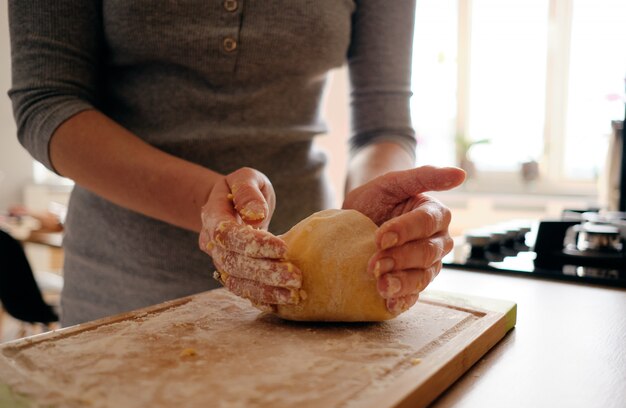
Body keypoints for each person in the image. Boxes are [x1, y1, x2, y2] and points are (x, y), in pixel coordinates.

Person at [8, 1, 466, 326]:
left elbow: (381, 123)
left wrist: (375, 219)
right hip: (124, 294)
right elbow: (47, 102)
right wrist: (206, 202)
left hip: (310, 294)